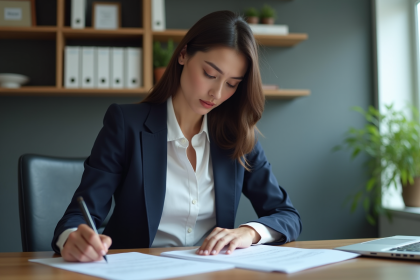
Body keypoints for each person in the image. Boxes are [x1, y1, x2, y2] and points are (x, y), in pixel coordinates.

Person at [52, 10, 302, 262]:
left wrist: (249, 232)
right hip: (135, 273)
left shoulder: (237, 135)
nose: (216, 93)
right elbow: (77, 217)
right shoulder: (126, 124)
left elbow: (286, 215)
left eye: (231, 83)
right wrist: (73, 239)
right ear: (183, 54)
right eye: (210, 74)